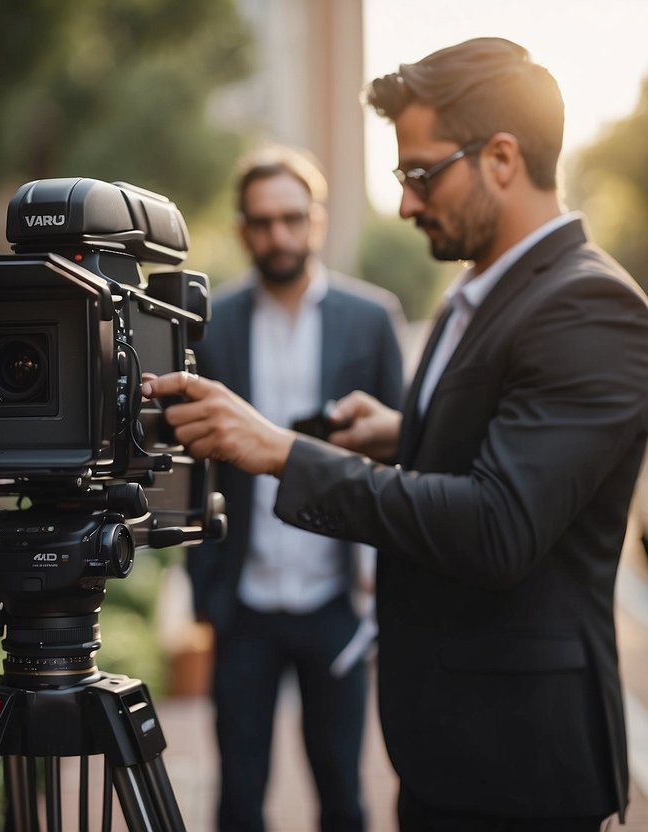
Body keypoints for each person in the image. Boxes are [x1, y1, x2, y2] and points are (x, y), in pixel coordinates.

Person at [143, 38, 648, 830]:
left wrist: (283, 452)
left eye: (419, 174)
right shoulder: (486, 295)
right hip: (450, 743)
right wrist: (404, 432)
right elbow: (492, 443)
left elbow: (497, 525)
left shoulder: (586, 307)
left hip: (515, 762)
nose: (406, 204)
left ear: (499, 157)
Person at [190, 145, 406, 832]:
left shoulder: (370, 317)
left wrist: (376, 580)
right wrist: (201, 585)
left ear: (315, 220)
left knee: (342, 790)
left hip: (335, 599)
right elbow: (192, 462)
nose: (277, 235)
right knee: (238, 795)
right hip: (242, 601)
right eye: (261, 221)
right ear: (241, 229)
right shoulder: (212, 322)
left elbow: (396, 459)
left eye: (290, 218)